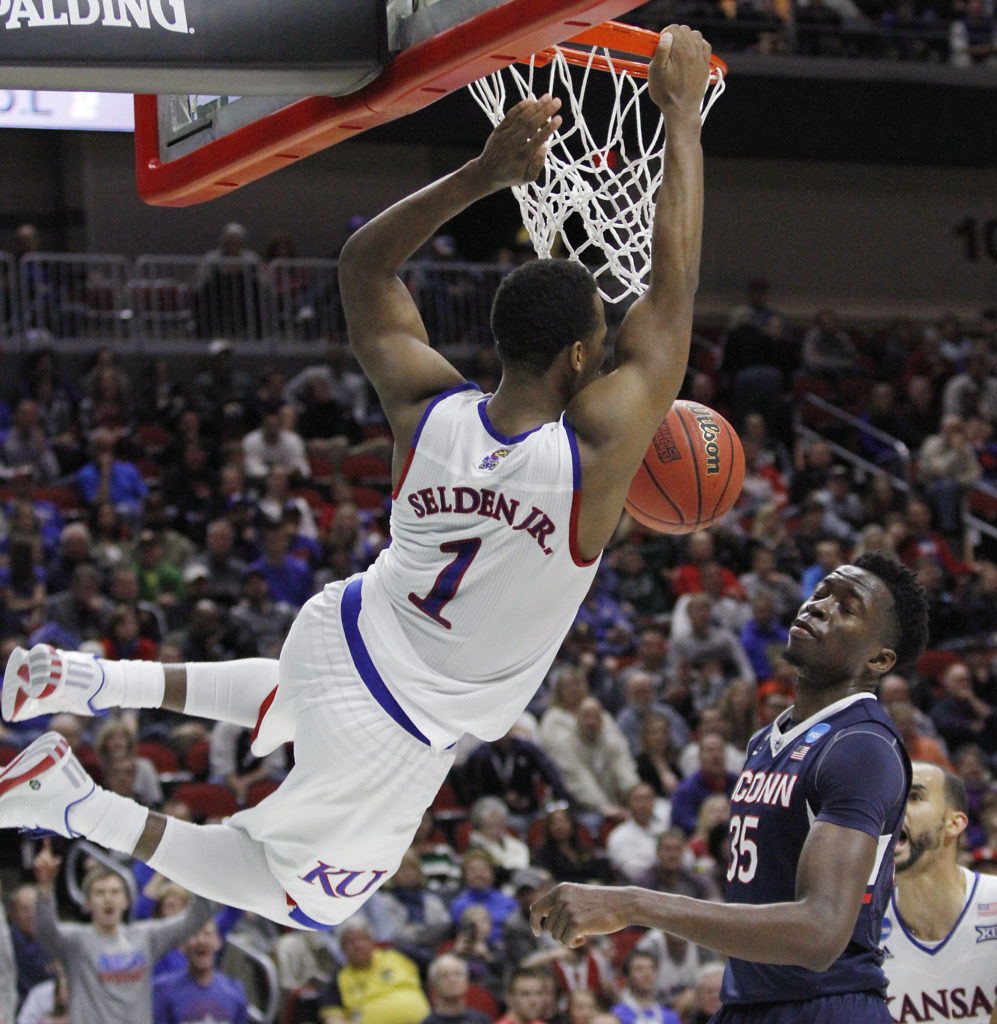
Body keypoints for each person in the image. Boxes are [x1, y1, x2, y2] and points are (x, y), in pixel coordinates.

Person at [0, 25, 711, 934]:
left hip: (345, 631)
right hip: (391, 714)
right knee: (298, 899)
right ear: (582, 356)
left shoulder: (427, 411)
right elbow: (676, 295)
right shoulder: (593, 457)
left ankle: (79, 682)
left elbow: (362, 266)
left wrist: (483, 175)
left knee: (300, 710)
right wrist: (680, 115)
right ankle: (70, 798)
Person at [531, 552, 931, 1023]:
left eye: (847, 607)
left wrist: (633, 903)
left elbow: (820, 932)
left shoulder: (860, 745)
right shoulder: (769, 738)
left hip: (824, 1007)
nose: (819, 606)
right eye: (822, 592)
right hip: (748, 1004)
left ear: (879, 659)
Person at [30, 843, 215, 1024]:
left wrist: (200, 871)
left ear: (126, 901)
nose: (108, 898)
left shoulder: (146, 936)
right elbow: (45, 931)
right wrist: (45, 888)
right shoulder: (76, 941)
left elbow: (195, 919)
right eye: (99, 893)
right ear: (87, 903)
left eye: (114, 892)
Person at [881, 762, 997, 1024]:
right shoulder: (859, 926)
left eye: (914, 797)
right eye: (889, 799)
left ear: (954, 823)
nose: (894, 810)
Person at [152, 919, 249, 1024]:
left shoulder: (234, 990)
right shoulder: (162, 989)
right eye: (194, 934)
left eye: (207, 934)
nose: (201, 940)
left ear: (218, 941)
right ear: (182, 945)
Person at [610, 949, 680, 1024]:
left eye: (651, 968)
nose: (647, 974)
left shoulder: (670, 1016)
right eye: (639, 969)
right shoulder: (616, 1015)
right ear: (627, 977)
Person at [422, 953, 494, 1024]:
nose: (452, 980)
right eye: (444, 976)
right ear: (433, 985)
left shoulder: (481, 1020)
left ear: (466, 981)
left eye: (457, 974)